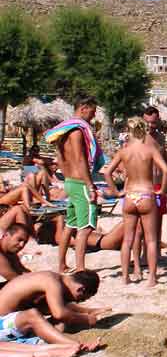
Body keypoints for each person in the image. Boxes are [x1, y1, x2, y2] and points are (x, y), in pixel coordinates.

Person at [103, 118, 167, 287]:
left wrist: (116, 191)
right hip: (147, 194)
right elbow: (166, 169)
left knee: (127, 239)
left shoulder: (123, 151)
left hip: (130, 195)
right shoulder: (150, 149)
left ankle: (125, 277)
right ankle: (152, 279)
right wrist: (161, 190)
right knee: (151, 240)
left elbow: (107, 172)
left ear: (129, 130)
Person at [48, 96, 104, 274]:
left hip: (70, 181)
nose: (93, 117)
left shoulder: (63, 132)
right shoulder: (78, 132)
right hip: (80, 183)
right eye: (92, 112)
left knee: (70, 225)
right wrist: (90, 185)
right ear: (83, 108)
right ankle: (80, 268)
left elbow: (61, 159)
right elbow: (81, 160)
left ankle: (62, 264)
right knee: (85, 228)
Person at [0, 270, 106, 351]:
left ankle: (46, 341)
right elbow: (59, 313)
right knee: (33, 315)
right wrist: (85, 319)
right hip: (2, 323)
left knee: (61, 323)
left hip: (11, 323)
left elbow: (53, 308)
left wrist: (86, 312)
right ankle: (76, 346)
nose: (77, 302)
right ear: (80, 289)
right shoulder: (52, 282)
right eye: (81, 299)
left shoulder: (53, 278)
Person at [142, 106, 167, 260]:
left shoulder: (161, 138)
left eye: (153, 123)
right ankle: (144, 254)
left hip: (159, 184)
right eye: (148, 123)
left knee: (159, 220)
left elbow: (165, 160)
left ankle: (156, 251)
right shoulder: (138, 138)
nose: (151, 126)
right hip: (143, 184)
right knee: (143, 222)